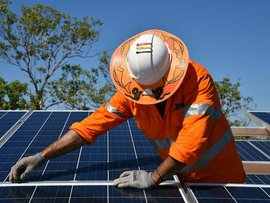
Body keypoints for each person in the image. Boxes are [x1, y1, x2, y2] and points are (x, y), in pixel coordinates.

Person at [9, 29, 246, 188]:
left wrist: (153, 177)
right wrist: (41, 156)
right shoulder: (133, 91)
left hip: (221, 181)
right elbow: (91, 126)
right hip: (179, 178)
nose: (148, 95)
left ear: (171, 72)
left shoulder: (198, 81)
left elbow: (190, 144)